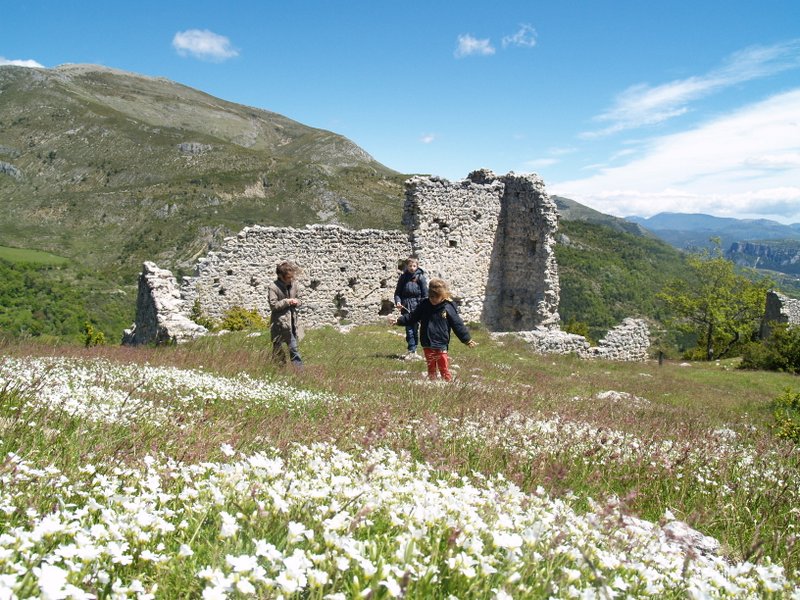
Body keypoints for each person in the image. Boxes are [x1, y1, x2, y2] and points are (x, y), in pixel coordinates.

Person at [391, 278, 477, 381]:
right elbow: (412, 317)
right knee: (431, 367)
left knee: (443, 367)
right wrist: (399, 320)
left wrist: (467, 339)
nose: (433, 300)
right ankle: (433, 384)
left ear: (443, 296)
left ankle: (448, 383)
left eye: (436, 297)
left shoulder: (448, 307)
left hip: (441, 342)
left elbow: (458, 325)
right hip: (427, 341)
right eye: (431, 297)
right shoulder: (424, 304)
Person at [267, 261, 304, 366]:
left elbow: (300, 300)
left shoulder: (294, 285)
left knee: (294, 350)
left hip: (292, 323)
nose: (290, 280)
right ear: (280, 276)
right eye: (288, 278)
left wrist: (297, 302)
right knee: (278, 351)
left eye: (291, 277)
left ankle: (299, 375)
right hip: (279, 324)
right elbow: (273, 306)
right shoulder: (273, 287)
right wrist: (287, 301)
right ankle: (279, 372)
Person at [393, 256, 428, 360]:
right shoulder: (403, 278)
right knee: (409, 330)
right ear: (407, 266)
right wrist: (398, 302)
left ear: (417, 266)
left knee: (415, 328)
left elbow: (425, 294)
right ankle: (411, 350)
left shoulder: (420, 278)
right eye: (410, 266)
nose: (412, 268)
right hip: (406, 306)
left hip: (417, 306)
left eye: (414, 266)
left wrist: (423, 307)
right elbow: (397, 293)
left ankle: (415, 350)